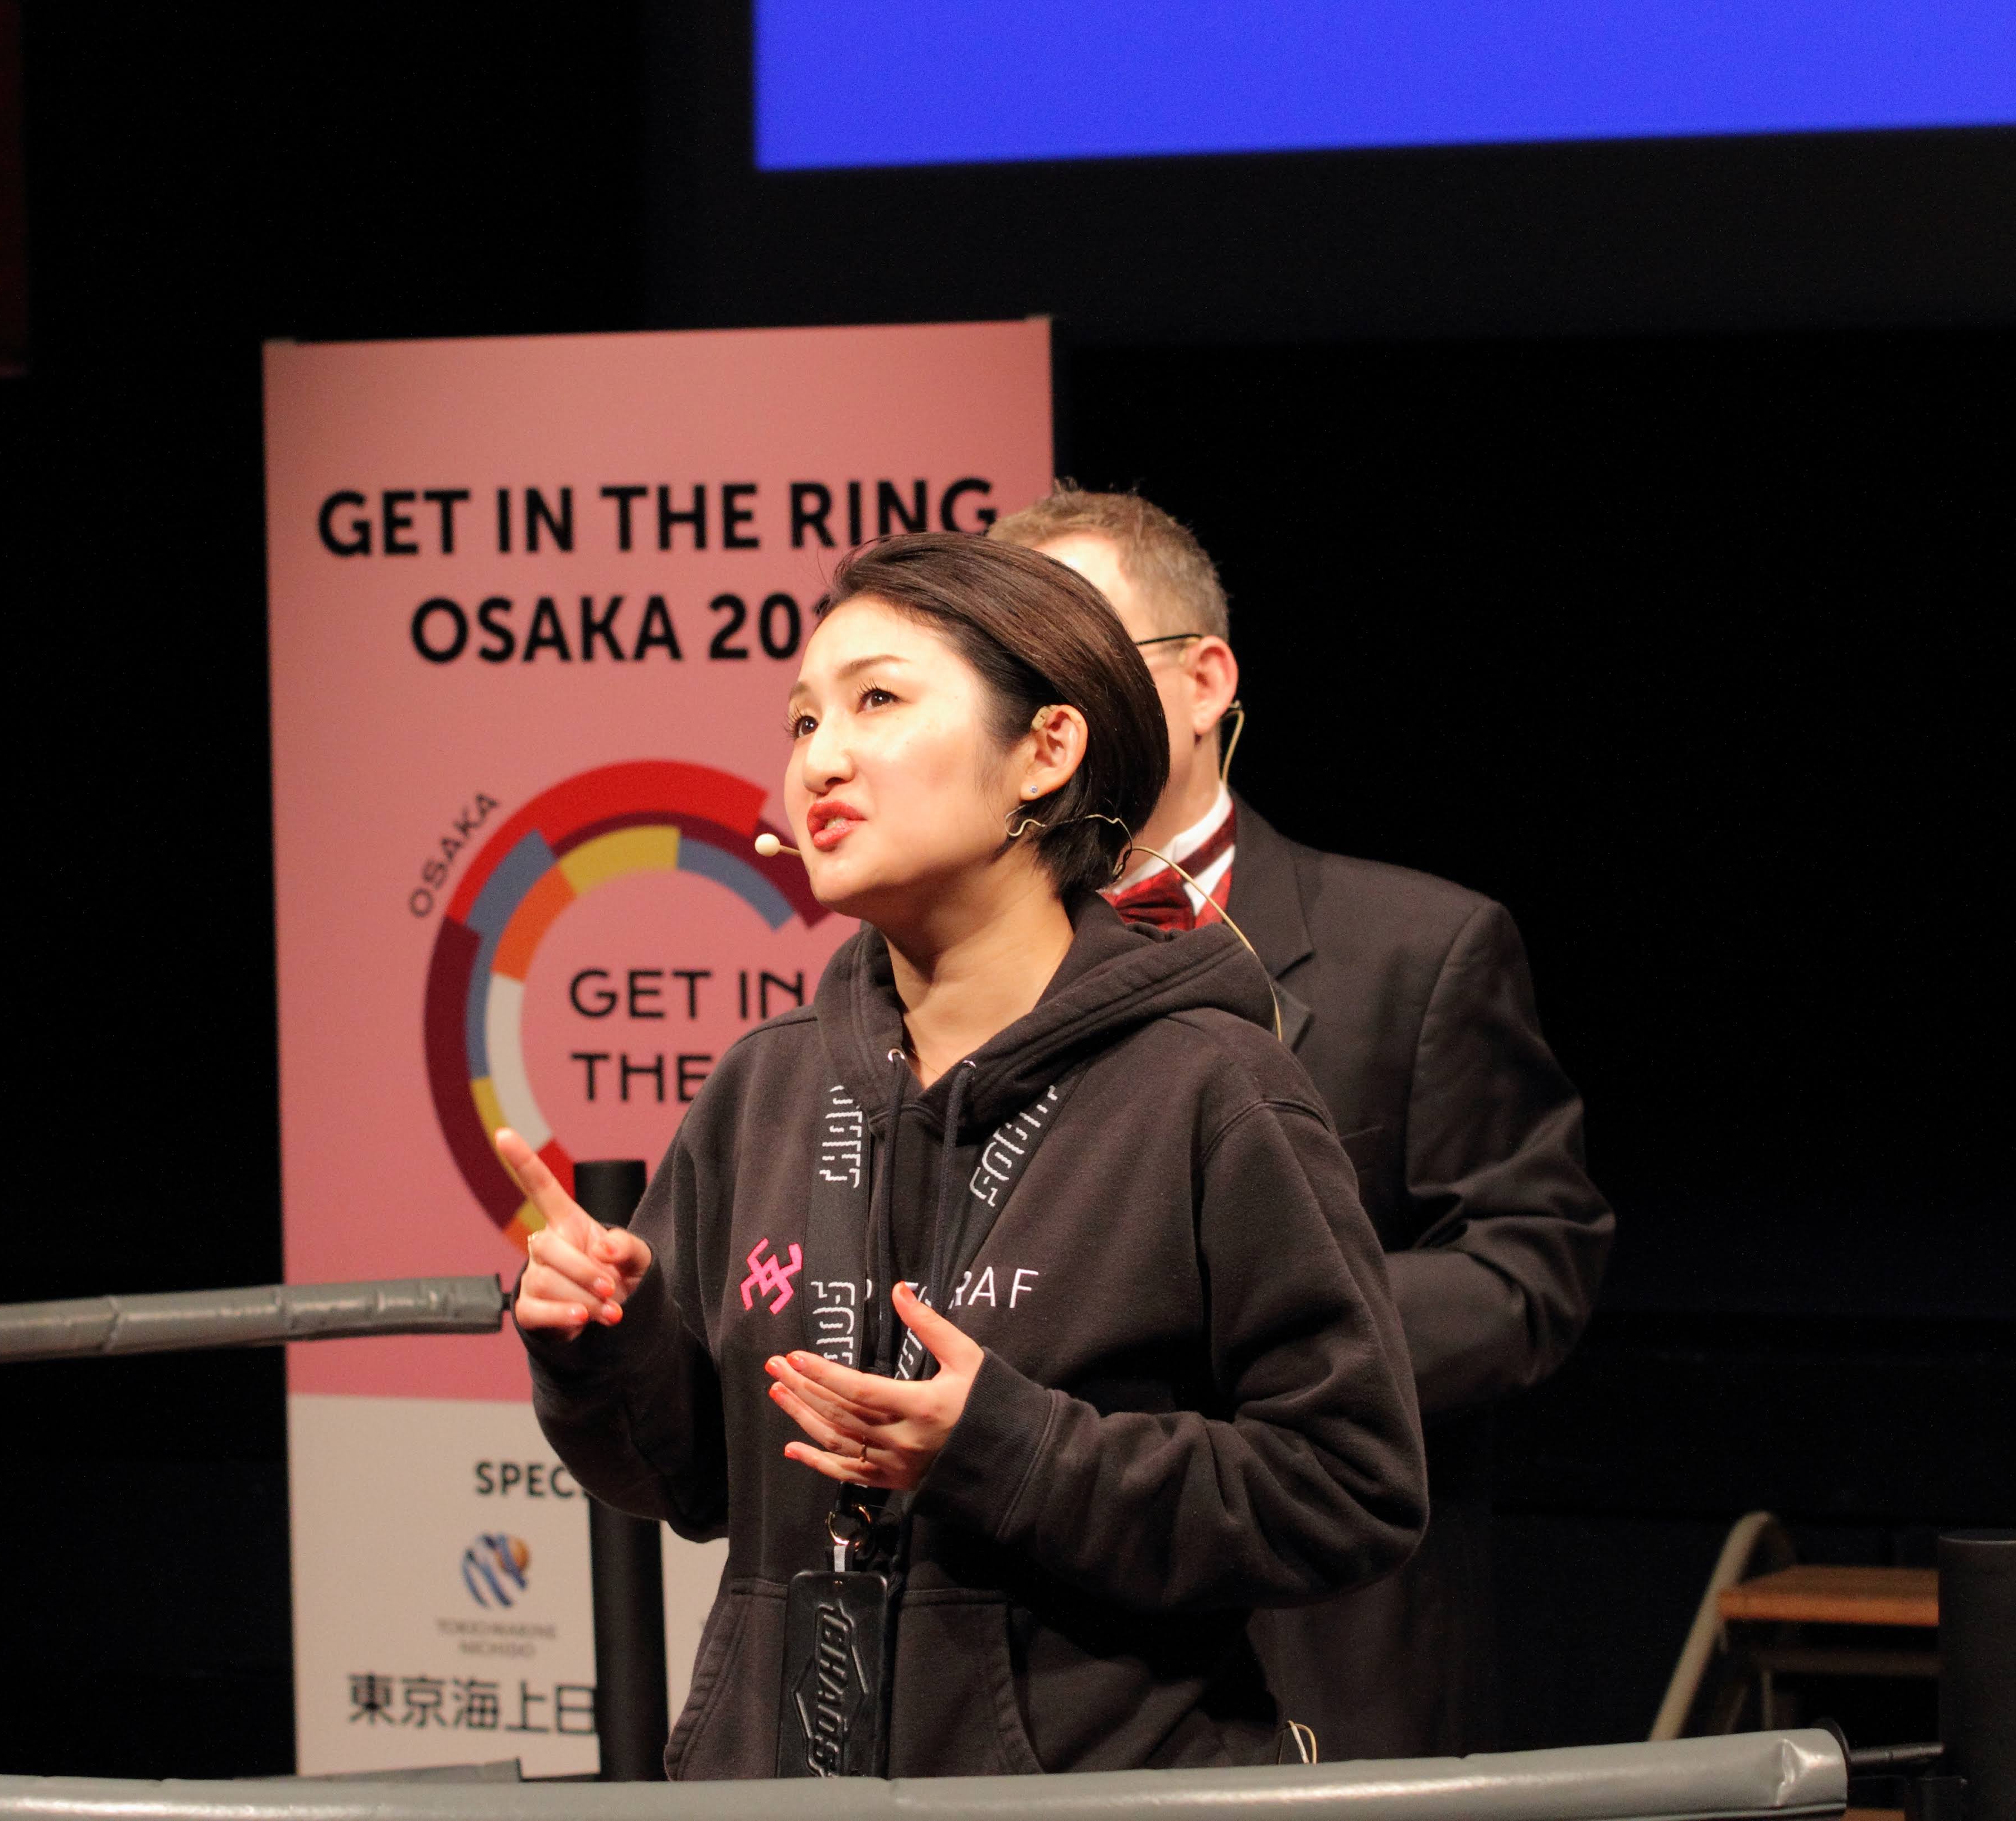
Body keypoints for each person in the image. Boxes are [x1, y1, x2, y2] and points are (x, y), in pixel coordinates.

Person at [505, 533, 1426, 1779]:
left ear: (1047, 750)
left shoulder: (1210, 1086)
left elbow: (1350, 1487)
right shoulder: (765, 1085)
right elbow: (694, 1482)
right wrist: (606, 1341)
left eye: (878, 701)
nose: (821, 759)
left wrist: (1013, 1449)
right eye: (802, 720)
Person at [989, 486, 1614, 1758]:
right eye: (1013, 675)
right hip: (1023, 1661)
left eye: (1082, 656)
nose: (1048, 712)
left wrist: (1256, 1335)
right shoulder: (956, 972)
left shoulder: (1416, 948)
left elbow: (1527, 1268)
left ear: (1205, 680)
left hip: (1311, 1645)